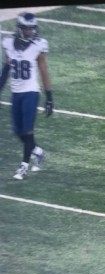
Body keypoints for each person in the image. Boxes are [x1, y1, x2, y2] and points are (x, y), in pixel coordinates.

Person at [0, 12, 54, 180]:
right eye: (27, 28)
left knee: (27, 130)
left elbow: (44, 71)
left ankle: (23, 167)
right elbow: (7, 69)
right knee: (18, 132)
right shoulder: (8, 43)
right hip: (16, 93)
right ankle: (38, 152)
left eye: (32, 29)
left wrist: (49, 97)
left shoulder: (38, 45)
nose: (30, 32)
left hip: (31, 92)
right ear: (20, 28)